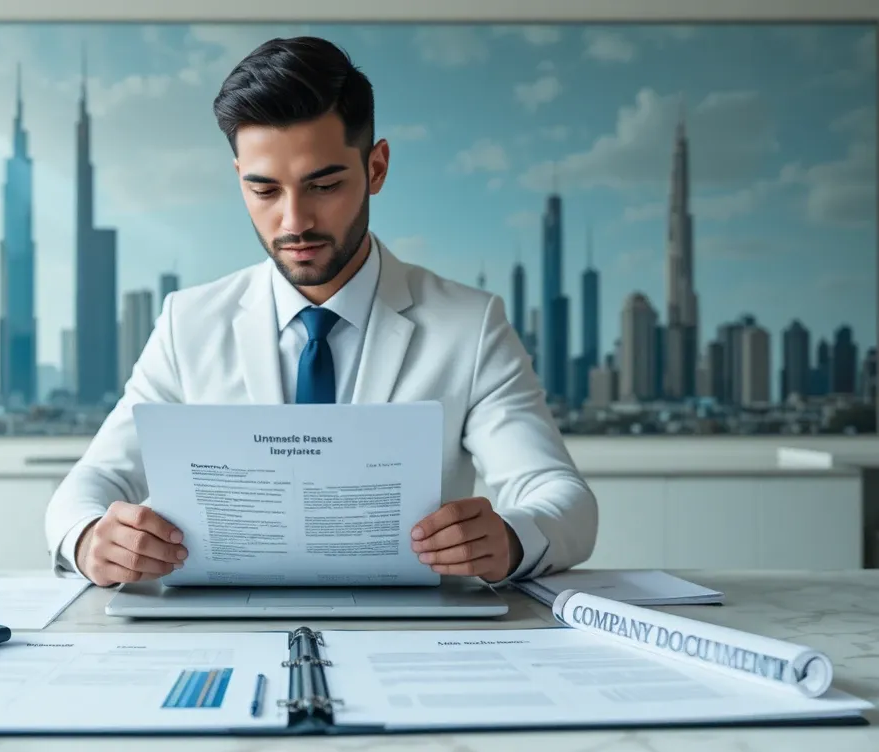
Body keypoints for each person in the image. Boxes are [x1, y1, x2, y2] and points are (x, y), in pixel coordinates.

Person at [45, 36, 597, 588]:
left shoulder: (469, 326)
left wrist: (511, 537)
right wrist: (92, 538)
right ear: (239, 176)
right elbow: (92, 480)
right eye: (263, 190)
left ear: (376, 168)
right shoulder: (186, 323)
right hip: (225, 630)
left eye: (324, 185)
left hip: (409, 633)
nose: (293, 222)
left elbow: (563, 499)